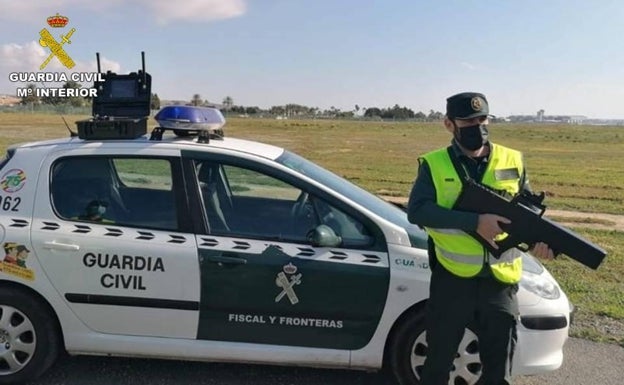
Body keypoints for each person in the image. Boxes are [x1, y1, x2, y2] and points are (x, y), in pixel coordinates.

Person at [407, 92, 554, 385]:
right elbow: (418, 211)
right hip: (452, 280)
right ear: (449, 124)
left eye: (483, 119)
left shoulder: (512, 159)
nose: (478, 126)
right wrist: (474, 222)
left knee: (498, 371)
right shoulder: (434, 164)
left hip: (500, 284)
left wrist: (540, 240)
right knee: (436, 366)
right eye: (469, 121)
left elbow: (526, 211)